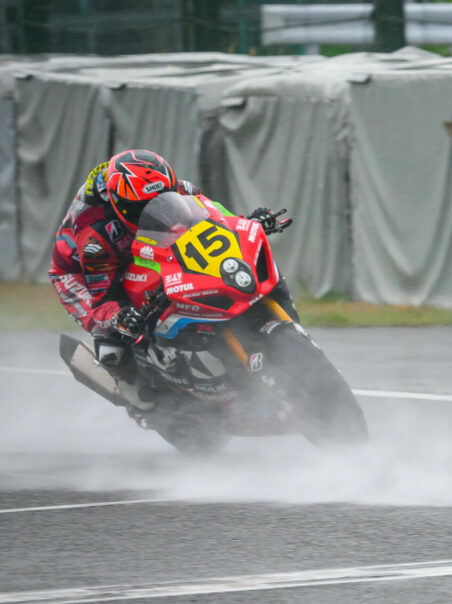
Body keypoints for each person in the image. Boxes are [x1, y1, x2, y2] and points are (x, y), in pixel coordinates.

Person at [49, 149, 289, 410]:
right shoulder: (95, 234)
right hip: (80, 270)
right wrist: (118, 317)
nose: (159, 209)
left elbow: (216, 219)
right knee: (115, 337)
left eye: (164, 200)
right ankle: (137, 395)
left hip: (142, 242)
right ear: (122, 206)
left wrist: (248, 222)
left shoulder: (175, 188)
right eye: (144, 208)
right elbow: (102, 300)